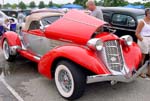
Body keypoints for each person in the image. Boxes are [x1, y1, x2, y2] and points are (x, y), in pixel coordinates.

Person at [135, 8, 150, 78]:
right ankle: (140, 72)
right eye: (149, 13)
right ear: (146, 14)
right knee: (142, 56)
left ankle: (149, 72)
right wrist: (142, 40)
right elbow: (137, 33)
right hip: (143, 39)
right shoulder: (142, 22)